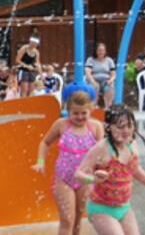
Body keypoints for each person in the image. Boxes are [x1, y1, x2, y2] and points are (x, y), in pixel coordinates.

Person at [76, 104, 145, 234]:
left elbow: (135, 169)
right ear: (108, 127)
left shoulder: (132, 144)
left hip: (124, 207)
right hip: (101, 208)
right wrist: (93, 179)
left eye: (130, 125)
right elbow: (78, 174)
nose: (126, 130)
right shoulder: (102, 148)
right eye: (120, 127)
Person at [32, 90, 104, 235]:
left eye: (84, 113)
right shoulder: (61, 125)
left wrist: (102, 170)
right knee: (67, 220)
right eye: (75, 113)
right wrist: (41, 161)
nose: (79, 117)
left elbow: (102, 153)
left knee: (77, 221)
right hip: (63, 179)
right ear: (68, 111)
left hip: (85, 179)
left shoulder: (95, 127)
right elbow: (45, 143)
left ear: (90, 110)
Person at [86, 43, 117, 108]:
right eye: (99, 50)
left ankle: (108, 107)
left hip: (106, 80)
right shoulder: (91, 60)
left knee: (109, 87)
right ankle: (93, 106)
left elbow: (113, 74)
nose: (101, 52)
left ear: (105, 51)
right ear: (96, 51)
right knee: (95, 87)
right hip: (94, 80)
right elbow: (88, 73)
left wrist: (111, 80)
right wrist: (93, 81)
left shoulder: (109, 60)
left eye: (103, 50)